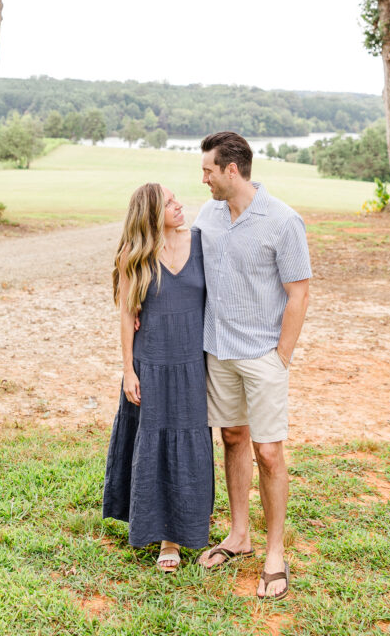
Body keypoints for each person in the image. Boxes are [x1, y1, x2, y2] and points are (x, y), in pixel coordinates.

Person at [194, 132, 311, 601]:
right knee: (232, 437)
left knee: (269, 452)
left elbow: (299, 293)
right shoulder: (207, 215)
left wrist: (281, 356)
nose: (203, 180)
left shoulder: (283, 221)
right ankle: (239, 535)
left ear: (231, 170)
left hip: (263, 356)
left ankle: (275, 553)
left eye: (208, 171)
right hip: (218, 350)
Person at [102, 182, 214, 572]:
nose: (179, 205)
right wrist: (128, 371)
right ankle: (159, 531)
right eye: (169, 203)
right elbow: (126, 314)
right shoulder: (134, 257)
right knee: (153, 443)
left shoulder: (201, 243)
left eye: (176, 198)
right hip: (150, 363)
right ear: (151, 215)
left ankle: (176, 535)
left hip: (192, 365)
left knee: (187, 442)